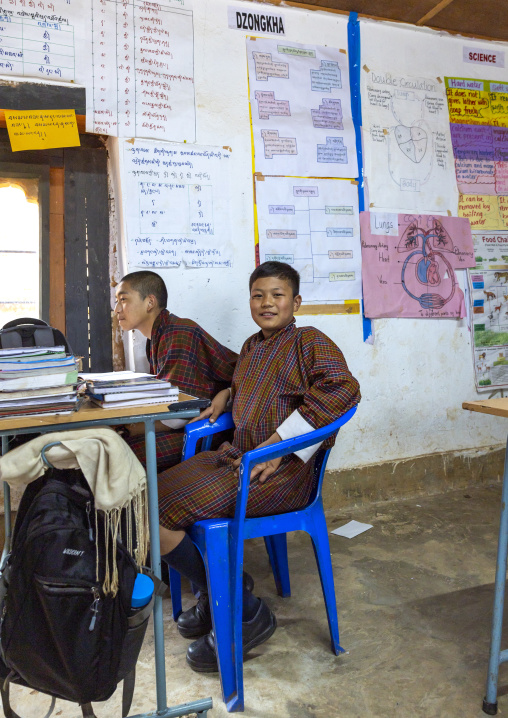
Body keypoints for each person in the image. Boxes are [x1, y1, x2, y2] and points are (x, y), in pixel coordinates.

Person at [157, 261, 361, 673]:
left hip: (281, 474)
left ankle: (240, 611)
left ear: (296, 301)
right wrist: (226, 395)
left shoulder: (310, 342)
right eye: (258, 295)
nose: (267, 303)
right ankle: (233, 596)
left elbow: (344, 390)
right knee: (146, 498)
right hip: (236, 458)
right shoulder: (252, 345)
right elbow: (250, 381)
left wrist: (278, 447)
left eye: (277, 295)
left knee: (160, 516)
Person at [114, 270, 238, 471]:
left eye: (123, 300)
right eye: (116, 301)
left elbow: (179, 410)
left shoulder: (178, 332)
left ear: (150, 302)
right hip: (186, 423)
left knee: (120, 455)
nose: (117, 309)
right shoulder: (157, 337)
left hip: (210, 430)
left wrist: (126, 429)